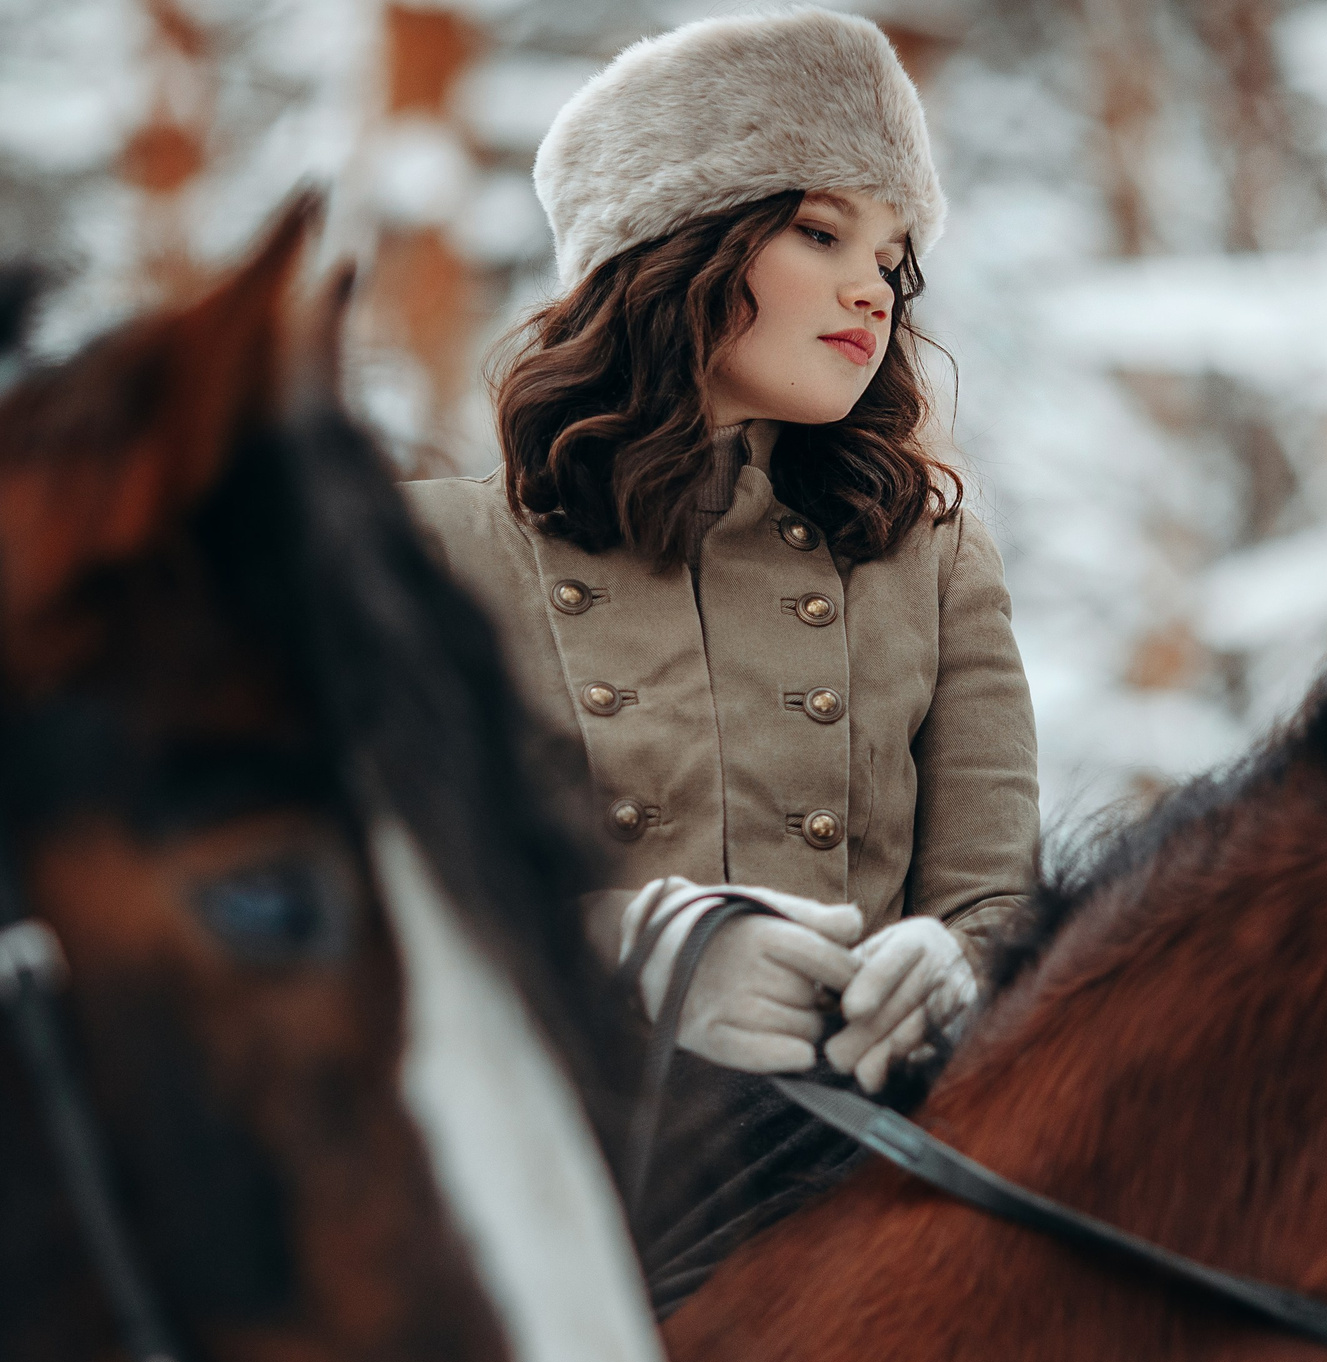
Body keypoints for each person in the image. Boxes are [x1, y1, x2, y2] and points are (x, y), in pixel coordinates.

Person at [405, 9, 1037, 1126]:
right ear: (672, 246)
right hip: (557, 1166)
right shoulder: (432, 553)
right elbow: (377, 906)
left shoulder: (929, 555)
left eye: (894, 257)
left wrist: (957, 968)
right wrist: (645, 954)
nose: (874, 291)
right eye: (821, 233)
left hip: (867, 1176)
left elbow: (997, 900)